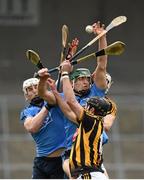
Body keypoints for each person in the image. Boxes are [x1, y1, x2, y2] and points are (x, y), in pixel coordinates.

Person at [46, 71, 116, 179]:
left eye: (87, 107)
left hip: (88, 173)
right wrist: (55, 92)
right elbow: (69, 113)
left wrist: (64, 74)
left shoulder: (89, 120)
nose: (84, 107)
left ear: (91, 110)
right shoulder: (91, 121)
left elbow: (70, 103)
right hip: (92, 170)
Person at [20, 77, 66, 179]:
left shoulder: (55, 100)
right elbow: (31, 127)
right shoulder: (28, 111)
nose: (34, 91)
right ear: (26, 96)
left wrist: (64, 71)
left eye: (36, 87)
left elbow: (61, 81)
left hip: (61, 160)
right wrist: (47, 107)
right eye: (30, 89)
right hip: (41, 161)